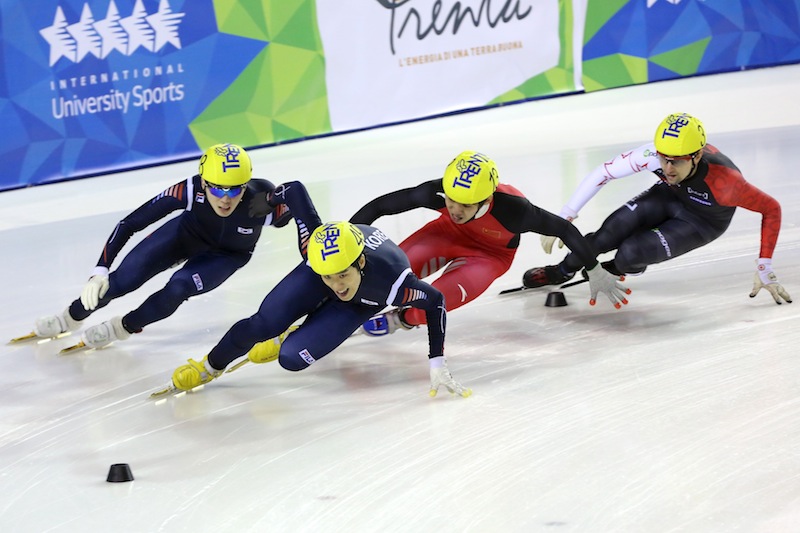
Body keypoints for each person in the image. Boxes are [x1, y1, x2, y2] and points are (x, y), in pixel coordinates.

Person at [159, 180, 470, 398]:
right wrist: (266, 201)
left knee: (291, 358)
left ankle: (289, 336)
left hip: (365, 299)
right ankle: (209, 366)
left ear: (359, 262)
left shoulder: (396, 286)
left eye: (342, 275)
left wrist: (437, 362)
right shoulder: (312, 246)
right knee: (261, 324)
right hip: (316, 269)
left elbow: (436, 301)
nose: (336, 285)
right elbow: (293, 190)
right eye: (329, 278)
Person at [16, 143, 291, 349]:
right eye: (217, 189)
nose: (226, 199)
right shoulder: (187, 190)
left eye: (235, 189)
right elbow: (130, 223)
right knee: (121, 281)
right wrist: (99, 269)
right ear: (203, 182)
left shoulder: (260, 199)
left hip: (227, 255)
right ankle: (69, 318)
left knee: (179, 287)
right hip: (186, 235)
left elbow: (297, 210)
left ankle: (123, 328)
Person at [347, 150, 630, 337]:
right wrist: (346, 243)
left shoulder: (515, 210)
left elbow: (564, 230)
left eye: (465, 205)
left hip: (489, 255)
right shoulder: (435, 191)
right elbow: (380, 206)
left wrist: (593, 268)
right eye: (450, 200)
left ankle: (401, 320)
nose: (455, 209)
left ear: (486, 200)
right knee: (388, 275)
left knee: (434, 303)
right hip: (445, 234)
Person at [526, 112, 792, 304]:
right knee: (611, 231)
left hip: (703, 221)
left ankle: (620, 267)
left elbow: (772, 209)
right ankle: (560, 271)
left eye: (675, 162)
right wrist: (565, 216)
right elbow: (603, 173)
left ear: (697, 156)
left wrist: (764, 265)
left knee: (631, 252)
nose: (667, 168)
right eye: (663, 159)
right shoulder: (653, 154)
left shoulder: (727, 183)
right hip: (670, 196)